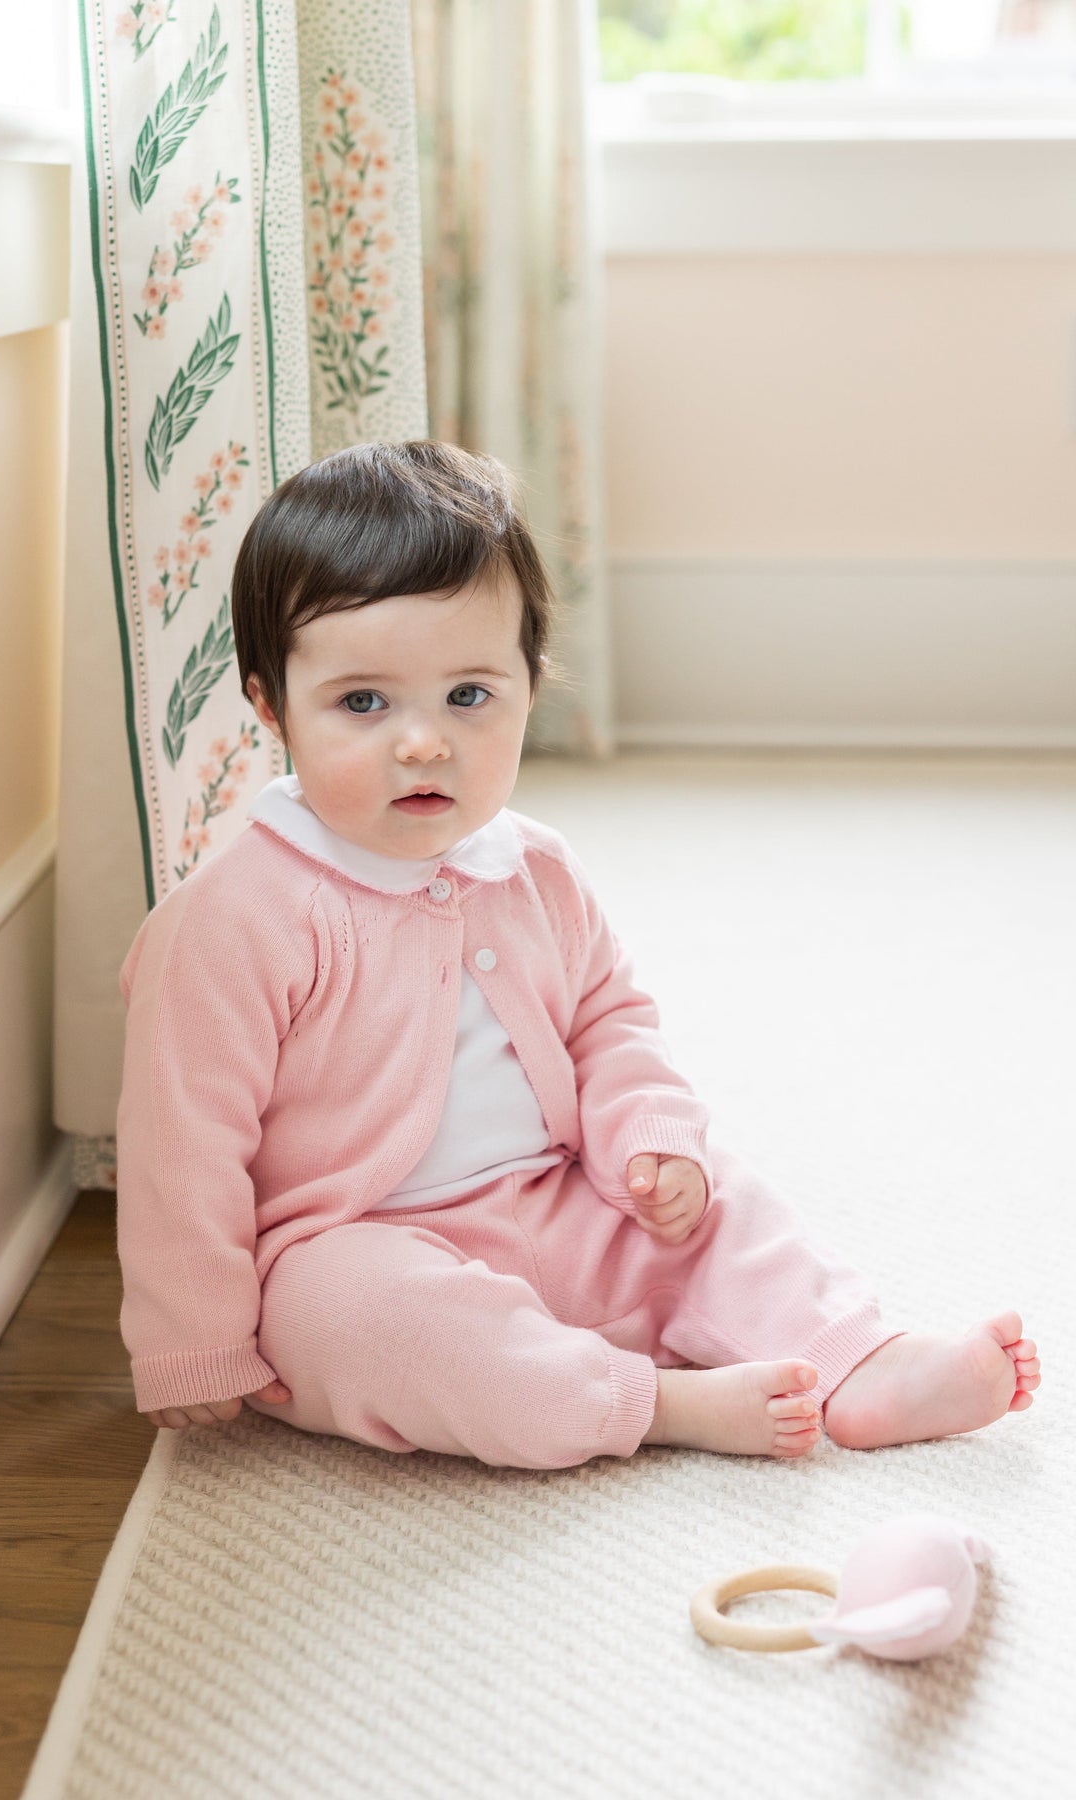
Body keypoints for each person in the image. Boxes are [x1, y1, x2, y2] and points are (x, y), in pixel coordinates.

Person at [114, 440, 1041, 1468]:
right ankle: (651, 1406)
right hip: (360, 1240)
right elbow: (180, 1143)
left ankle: (859, 1360)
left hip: (562, 1196)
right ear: (268, 704)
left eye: (470, 696)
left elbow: (609, 1020)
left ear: (529, 685)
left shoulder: (532, 869)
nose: (423, 743)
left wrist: (647, 1136)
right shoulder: (231, 920)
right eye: (364, 703)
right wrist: (191, 1336)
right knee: (348, 1317)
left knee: (718, 1203)